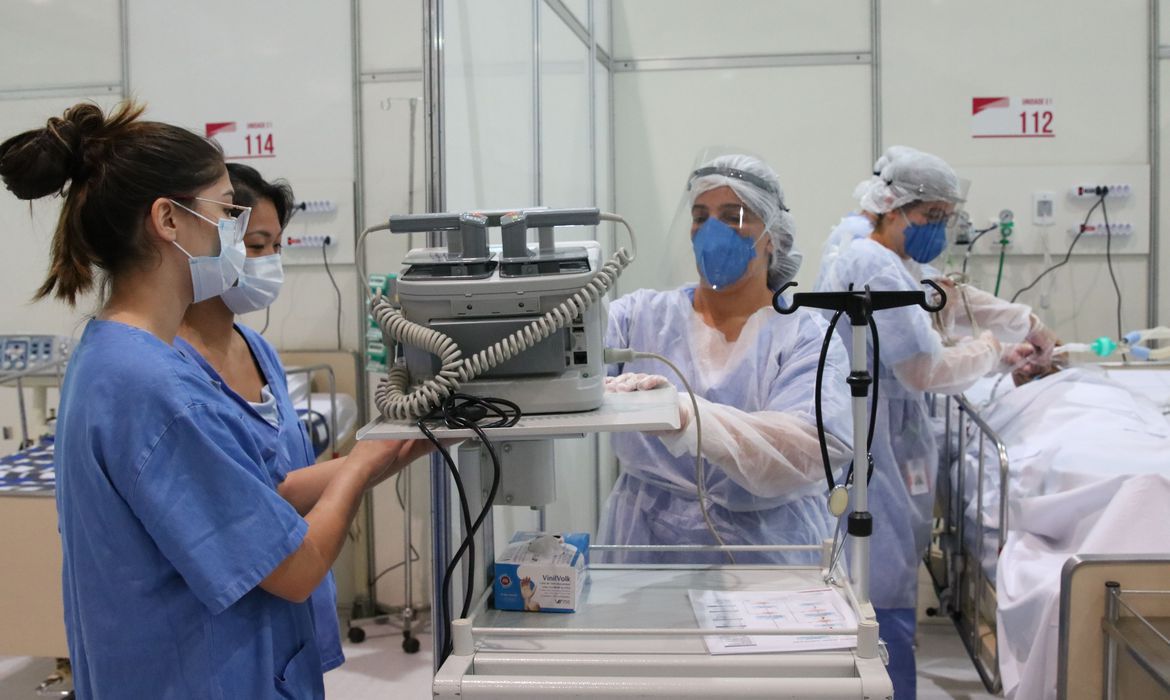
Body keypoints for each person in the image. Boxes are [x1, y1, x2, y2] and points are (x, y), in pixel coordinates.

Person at [0, 102, 427, 699]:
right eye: (228, 212)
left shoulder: (113, 356)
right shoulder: (156, 387)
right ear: (168, 220)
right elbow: (296, 569)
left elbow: (256, 499)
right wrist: (357, 469)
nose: (237, 234)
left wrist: (391, 449)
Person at [814, 146, 1040, 698]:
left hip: (888, 426)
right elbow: (921, 368)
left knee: (884, 563)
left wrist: (1014, 335)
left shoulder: (892, 260)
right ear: (893, 208)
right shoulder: (871, 262)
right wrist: (991, 349)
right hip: (874, 431)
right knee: (881, 570)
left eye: (945, 217)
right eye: (931, 216)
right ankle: (886, 685)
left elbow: (944, 299)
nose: (938, 228)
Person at [599, 153, 853, 565]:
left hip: (769, 549)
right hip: (646, 543)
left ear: (772, 236)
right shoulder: (639, 317)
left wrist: (690, 418)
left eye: (733, 216)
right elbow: (569, 369)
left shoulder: (805, 336)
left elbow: (808, 448)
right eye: (700, 217)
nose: (711, 231)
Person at [174, 163, 345, 674]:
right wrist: (364, 466)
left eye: (277, 246)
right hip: (229, 622)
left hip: (293, 598)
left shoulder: (258, 349)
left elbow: (284, 483)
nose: (269, 261)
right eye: (255, 245)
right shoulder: (172, 368)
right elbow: (257, 502)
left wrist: (392, 447)